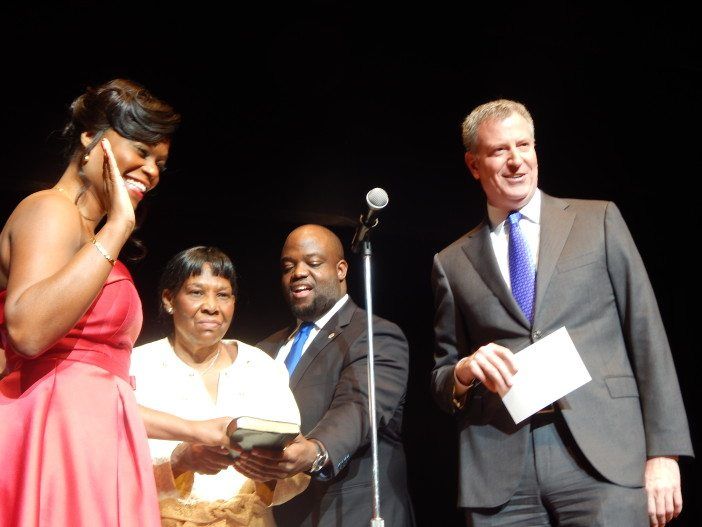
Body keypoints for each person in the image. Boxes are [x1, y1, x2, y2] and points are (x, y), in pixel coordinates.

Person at [430, 99, 694, 526]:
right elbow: (442, 376)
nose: (516, 161)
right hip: (500, 466)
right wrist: (463, 370)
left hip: (602, 452)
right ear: (473, 164)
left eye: (524, 145)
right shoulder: (452, 261)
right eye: (500, 151)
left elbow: (646, 333)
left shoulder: (598, 220)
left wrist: (663, 453)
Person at [0, 79, 231, 527]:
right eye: (141, 151)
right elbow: (27, 333)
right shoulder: (50, 210)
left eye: (160, 162)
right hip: (53, 439)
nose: (152, 170)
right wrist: (119, 224)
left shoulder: (88, 232)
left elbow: (102, 386)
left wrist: (197, 428)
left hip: (94, 437)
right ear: (91, 137)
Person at [233, 224, 415, 527]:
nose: (298, 273)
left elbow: (359, 406)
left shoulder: (374, 335)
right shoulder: (264, 350)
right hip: (274, 515)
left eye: (313, 263)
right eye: (288, 266)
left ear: (341, 269)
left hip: (348, 512)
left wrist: (316, 451)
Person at [130, 246, 309, 527]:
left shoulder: (260, 366)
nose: (211, 306)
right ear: (169, 299)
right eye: (196, 292)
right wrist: (179, 461)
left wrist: (272, 467)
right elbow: (110, 467)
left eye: (223, 294)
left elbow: (291, 457)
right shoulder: (137, 366)